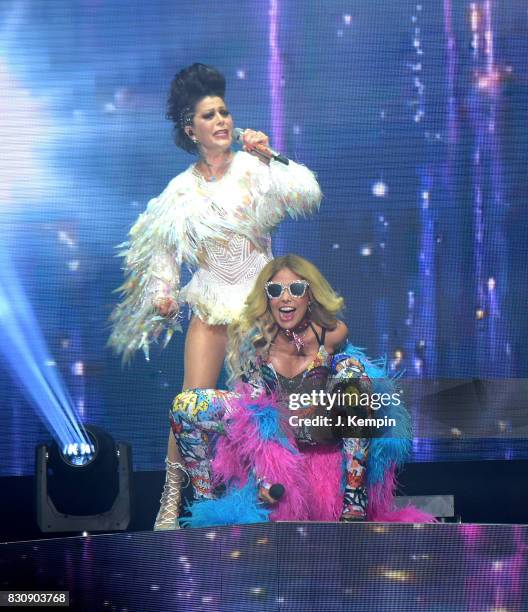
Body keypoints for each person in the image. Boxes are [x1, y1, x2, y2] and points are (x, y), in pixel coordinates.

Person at [108, 65, 322, 530]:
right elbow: (160, 247)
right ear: (192, 129)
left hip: (257, 310)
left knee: (262, 407)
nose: (223, 120)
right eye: (210, 115)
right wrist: (164, 293)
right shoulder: (180, 192)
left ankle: (271, 499)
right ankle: (171, 500)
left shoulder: (252, 168)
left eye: (225, 111)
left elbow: (306, 195)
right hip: (209, 305)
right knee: (189, 404)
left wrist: (271, 157)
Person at [170, 255, 433, 526]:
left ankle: (355, 501)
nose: (285, 298)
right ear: (267, 298)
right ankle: (205, 505)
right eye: (275, 291)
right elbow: (255, 416)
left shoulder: (330, 333)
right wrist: (265, 475)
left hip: (321, 424)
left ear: (309, 296)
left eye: (295, 289)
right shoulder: (256, 344)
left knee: (354, 377)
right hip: (281, 430)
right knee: (186, 406)